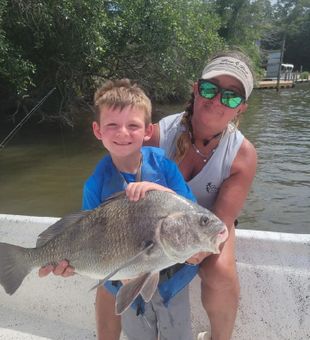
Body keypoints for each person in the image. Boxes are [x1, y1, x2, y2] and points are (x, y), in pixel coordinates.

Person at [39, 78, 200, 340]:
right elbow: (85, 236)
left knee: (178, 334)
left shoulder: (163, 165)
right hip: (125, 283)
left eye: (133, 125)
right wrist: (71, 265)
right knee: (139, 334)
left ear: (148, 131)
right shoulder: (95, 184)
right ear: (97, 130)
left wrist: (156, 189)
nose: (122, 133)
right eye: (112, 125)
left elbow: (190, 211)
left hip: (173, 279)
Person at [145, 50, 257, 340]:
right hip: (160, 222)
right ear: (196, 89)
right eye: (210, 88)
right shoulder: (158, 135)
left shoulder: (242, 155)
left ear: (241, 108)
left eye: (231, 97)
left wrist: (196, 250)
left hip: (211, 225)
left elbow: (223, 220)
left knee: (219, 273)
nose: (217, 100)